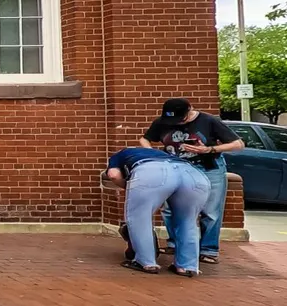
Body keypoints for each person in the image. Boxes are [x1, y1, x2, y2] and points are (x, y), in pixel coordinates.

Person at [139, 98, 244, 264]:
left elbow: (238, 144)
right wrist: (153, 153)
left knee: (210, 211)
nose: (176, 123)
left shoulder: (208, 121)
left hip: (208, 167)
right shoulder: (162, 122)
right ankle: (175, 243)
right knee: (170, 209)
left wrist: (209, 149)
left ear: (190, 110)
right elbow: (145, 139)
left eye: (180, 119)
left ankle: (208, 249)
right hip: (176, 168)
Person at [103, 146, 209, 276]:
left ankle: (145, 262)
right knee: (187, 220)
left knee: (140, 218)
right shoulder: (162, 154)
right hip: (193, 174)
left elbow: (113, 175)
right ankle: (187, 266)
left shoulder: (120, 155)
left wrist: (131, 188)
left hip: (151, 172)